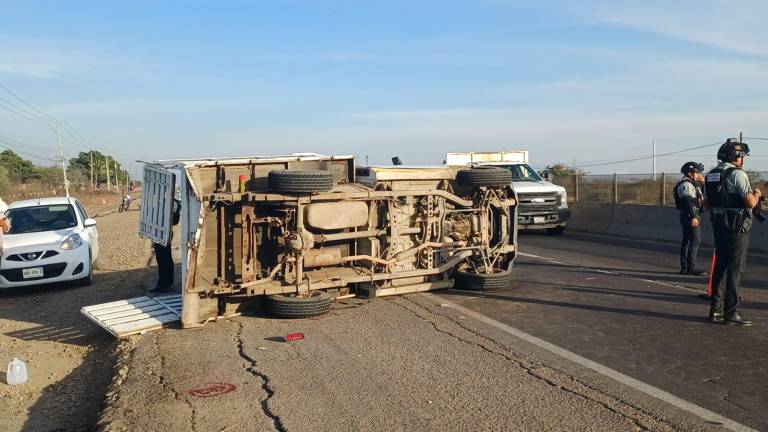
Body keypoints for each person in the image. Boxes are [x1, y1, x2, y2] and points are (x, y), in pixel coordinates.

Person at [704, 140, 760, 326]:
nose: (742, 160)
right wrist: (757, 194)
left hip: (719, 223)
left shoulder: (711, 175)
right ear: (735, 157)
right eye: (741, 156)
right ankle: (731, 312)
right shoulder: (737, 174)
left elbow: (706, 204)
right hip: (737, 225)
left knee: (720, 266)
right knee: (735, 268)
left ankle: (715, 310)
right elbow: (751, 202)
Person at [673, 162, 706, 275]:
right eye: (697, 173)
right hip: (690, 214)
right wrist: (693, 216)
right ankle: (690, 267)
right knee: (695, 240)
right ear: (690, 173)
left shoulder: (692, 184)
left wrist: (703, 184)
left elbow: (700, 198)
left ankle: (685, 267)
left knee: (687, 240)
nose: (699, 175)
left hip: (690, 214)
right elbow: (687, 201)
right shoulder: (686, 184)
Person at [149, 198, 181, 293]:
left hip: (166, 232)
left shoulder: (173, 202)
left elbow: (175, 220)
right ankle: (161, 283)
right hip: (157, 232)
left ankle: (168, 284)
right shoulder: (158, 201)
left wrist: (165, 219)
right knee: (160, 259)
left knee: (166, 258)